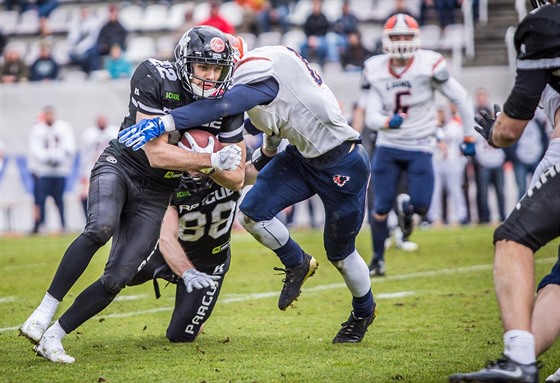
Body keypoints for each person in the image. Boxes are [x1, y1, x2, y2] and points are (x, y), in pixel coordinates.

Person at [119, 45, 378, 344]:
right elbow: (271, 125)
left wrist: (164, 122)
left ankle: (363, 311)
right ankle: (297, 262)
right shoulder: (269, 76)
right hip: (301, 156)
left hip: (342, 161)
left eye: (219, 70)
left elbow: (223, 108)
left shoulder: (259, 73)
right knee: (252, 212)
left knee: (341, 255)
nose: (214, 78)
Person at [20, 26, 245, 364]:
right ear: (185, 62)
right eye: (203, 67)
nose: (211, 77)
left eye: (217, 69)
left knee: (118, 277)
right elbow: (156, 154)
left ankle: (54, 337)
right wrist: (210, 159)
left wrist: (216, 169)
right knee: (100, 228)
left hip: (159, 191)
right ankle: (43, 311)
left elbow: (237, 177)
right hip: (122, 168)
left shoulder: (228, 105)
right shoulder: (154, 75)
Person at [448, 0, 560, 381]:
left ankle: (519, 360)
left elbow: (510, 129)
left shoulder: (545, 24)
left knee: (513, 239)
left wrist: (496, 134)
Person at [359, 13, 475, 276]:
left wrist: (468, 135)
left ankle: (406, 211)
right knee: (379, 208)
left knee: (421, 206)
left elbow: (461, 99)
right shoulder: (375, 68)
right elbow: (371, 116)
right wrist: (389, 121)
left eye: (406, 36)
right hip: (388, 145)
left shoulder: (430, 64)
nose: (401, 41)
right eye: (396, 36)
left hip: (421, 144)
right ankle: (378, 260)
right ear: (386, 39)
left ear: (416, 38)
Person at [127, 133, 267, 342]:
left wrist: (270, 148)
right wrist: (186, 271)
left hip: (210, 266)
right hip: (170, 254)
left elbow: (256, 168)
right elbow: (166, 238)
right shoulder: (172, 186)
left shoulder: (231, 177)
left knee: (180, 336)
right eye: (192, 164)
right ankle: (174, 274)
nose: (195, 173)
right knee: (122, 275)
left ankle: (194, 311)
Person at [28, 106, 76, 234]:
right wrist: (47, 158)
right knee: (42, 199)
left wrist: (59, 157)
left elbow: (69, 147)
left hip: (60, 170)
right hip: (44, 170)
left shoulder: (64, 127)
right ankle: (42, 225)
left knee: (59, 199)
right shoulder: (37, 129)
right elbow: (35, 149)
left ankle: (63, 224)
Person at [78, 114, 119, 218]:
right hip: (92, 166)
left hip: (111, 166)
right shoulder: (89, 134)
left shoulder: (113, 132)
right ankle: (89, 219)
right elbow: (85, 155)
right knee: (85, 195)